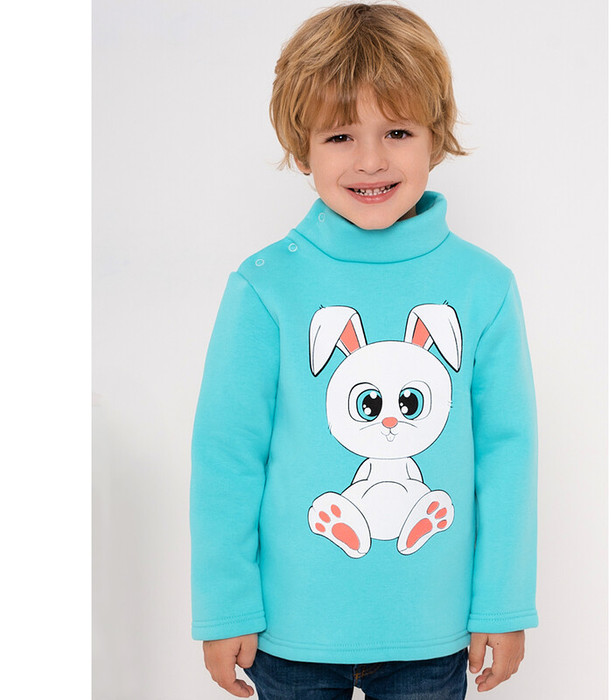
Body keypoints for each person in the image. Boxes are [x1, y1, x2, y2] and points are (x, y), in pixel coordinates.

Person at [190, 3, 538, 698]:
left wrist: (502, 605)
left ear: (436, 138)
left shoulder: (484, 287)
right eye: (341, 134)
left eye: (398, 131)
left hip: (432, 632)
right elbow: (227, 455)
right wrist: (226, 607)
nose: (371, 160)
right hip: (288, 632)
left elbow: (507, 455)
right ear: (303, 148)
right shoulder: (265, 286)